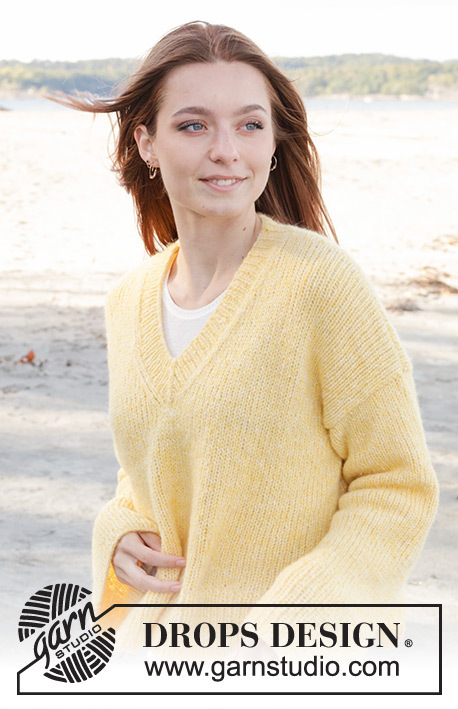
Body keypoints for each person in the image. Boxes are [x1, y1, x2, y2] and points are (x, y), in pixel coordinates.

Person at [52, 21, 438, 653]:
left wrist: (302, 612)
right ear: (147, 142)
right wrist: (118, 532)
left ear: (274, 141)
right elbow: (149, 470)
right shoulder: (128, 301)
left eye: (250, 125)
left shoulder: (321, 285)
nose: (227, 150)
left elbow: (396, 484)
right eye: (193, 126)